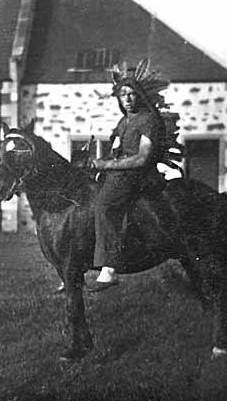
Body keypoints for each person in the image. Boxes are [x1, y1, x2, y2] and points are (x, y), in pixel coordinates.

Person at [88, 71, 163, 292]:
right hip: (120, 171)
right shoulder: (124, 121)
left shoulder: (148, 120)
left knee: (104, 205)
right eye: (123, 95)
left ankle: (109, 268)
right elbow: (116, 149)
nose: (128, 99)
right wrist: (101, 161)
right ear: (119, 99)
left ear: (139, 96)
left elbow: (142, 158)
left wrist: (107, 166)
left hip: (138, 174)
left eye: (132, 94)